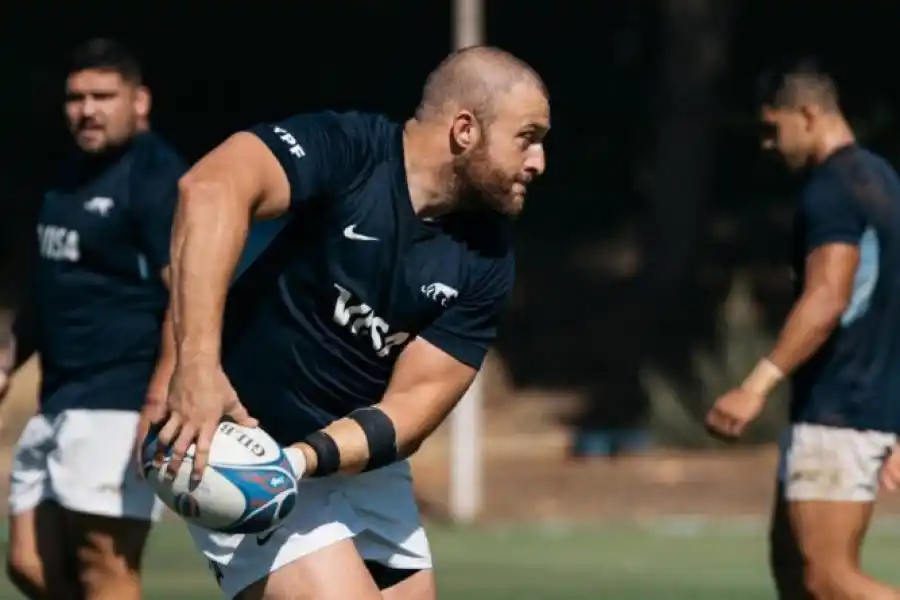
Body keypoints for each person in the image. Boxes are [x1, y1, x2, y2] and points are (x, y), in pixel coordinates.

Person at [138, 45, 549, 600]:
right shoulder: (348, 150)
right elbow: (209, 188)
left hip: (343, 457)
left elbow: (412, 408)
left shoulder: (487, 256)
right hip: (240, 439)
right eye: (527, 137)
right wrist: (196, 369)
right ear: (464, 130)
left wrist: (299, 461)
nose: (538, 161)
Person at [706, 59, 900, 600]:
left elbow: (827, 297)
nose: (768, 144)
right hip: (859, 406)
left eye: (773, 128)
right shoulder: (883, 180)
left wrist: (756, 385)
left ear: (809, 114)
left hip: (839, 410)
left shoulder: (832, 189)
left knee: (825, 577)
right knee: (795, 575)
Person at [1, 38, 187, 600]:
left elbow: (187, 298)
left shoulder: (158, 178)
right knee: (28, 564)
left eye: (103, 96)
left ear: (140, 101)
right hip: (59, 397)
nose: (87, 110)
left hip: (119, 401)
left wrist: (159, 398)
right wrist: (9, 359)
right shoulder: (68, 177)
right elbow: (50, 286)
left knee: (104, 569)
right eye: (76, 97)